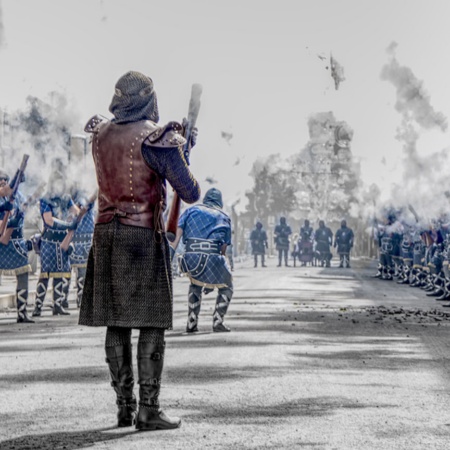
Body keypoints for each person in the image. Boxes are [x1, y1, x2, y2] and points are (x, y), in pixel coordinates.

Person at [78, 71, 200, 431]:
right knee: (151, 319)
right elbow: (190, 192)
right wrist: (182, 153)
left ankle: (123, 407)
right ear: (148, 99)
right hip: (142, 235)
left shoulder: (98, 134)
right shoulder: (158, 139)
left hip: (105, 234)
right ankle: (148, 409)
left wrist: (178, 147)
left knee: (116, 321)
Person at [173, 188, 233, 333]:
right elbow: (223, 250)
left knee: (195, 284)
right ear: (220, 202)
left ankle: (192, 322)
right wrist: (214, 278)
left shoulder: (190, 211)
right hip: (213, 258)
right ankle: (218, 321)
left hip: (190, 259)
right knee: (227, 286)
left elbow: (176, 237)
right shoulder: (224, 216)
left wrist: (170, 256)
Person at [32, 164, 79, 317]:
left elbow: (76, 211)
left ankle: (57, 306)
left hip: (62, 242)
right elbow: (49, 221)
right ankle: (37, 307)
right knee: (45, 275)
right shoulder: (45, 199)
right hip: (49, 243)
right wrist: (68, 224)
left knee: (61, 274)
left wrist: (74, 215)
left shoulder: (65, 197)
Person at [0, 168, 34, 323]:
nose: (2, 182)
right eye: (0, 180)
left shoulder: (19, 196)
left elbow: (23, 214)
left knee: (23, 276)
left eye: (5, 179)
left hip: (17, 242)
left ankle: (22, 312)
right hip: (2, 241)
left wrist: (20, 214)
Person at [68, 188, 96, 308]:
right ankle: (77, 299)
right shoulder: (74, 196)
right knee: (75, 271)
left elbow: (81, 208)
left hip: (82, 238)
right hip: (76, 238)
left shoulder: (79, 195)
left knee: (82, 271)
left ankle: (81, 299)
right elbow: (80, 208)